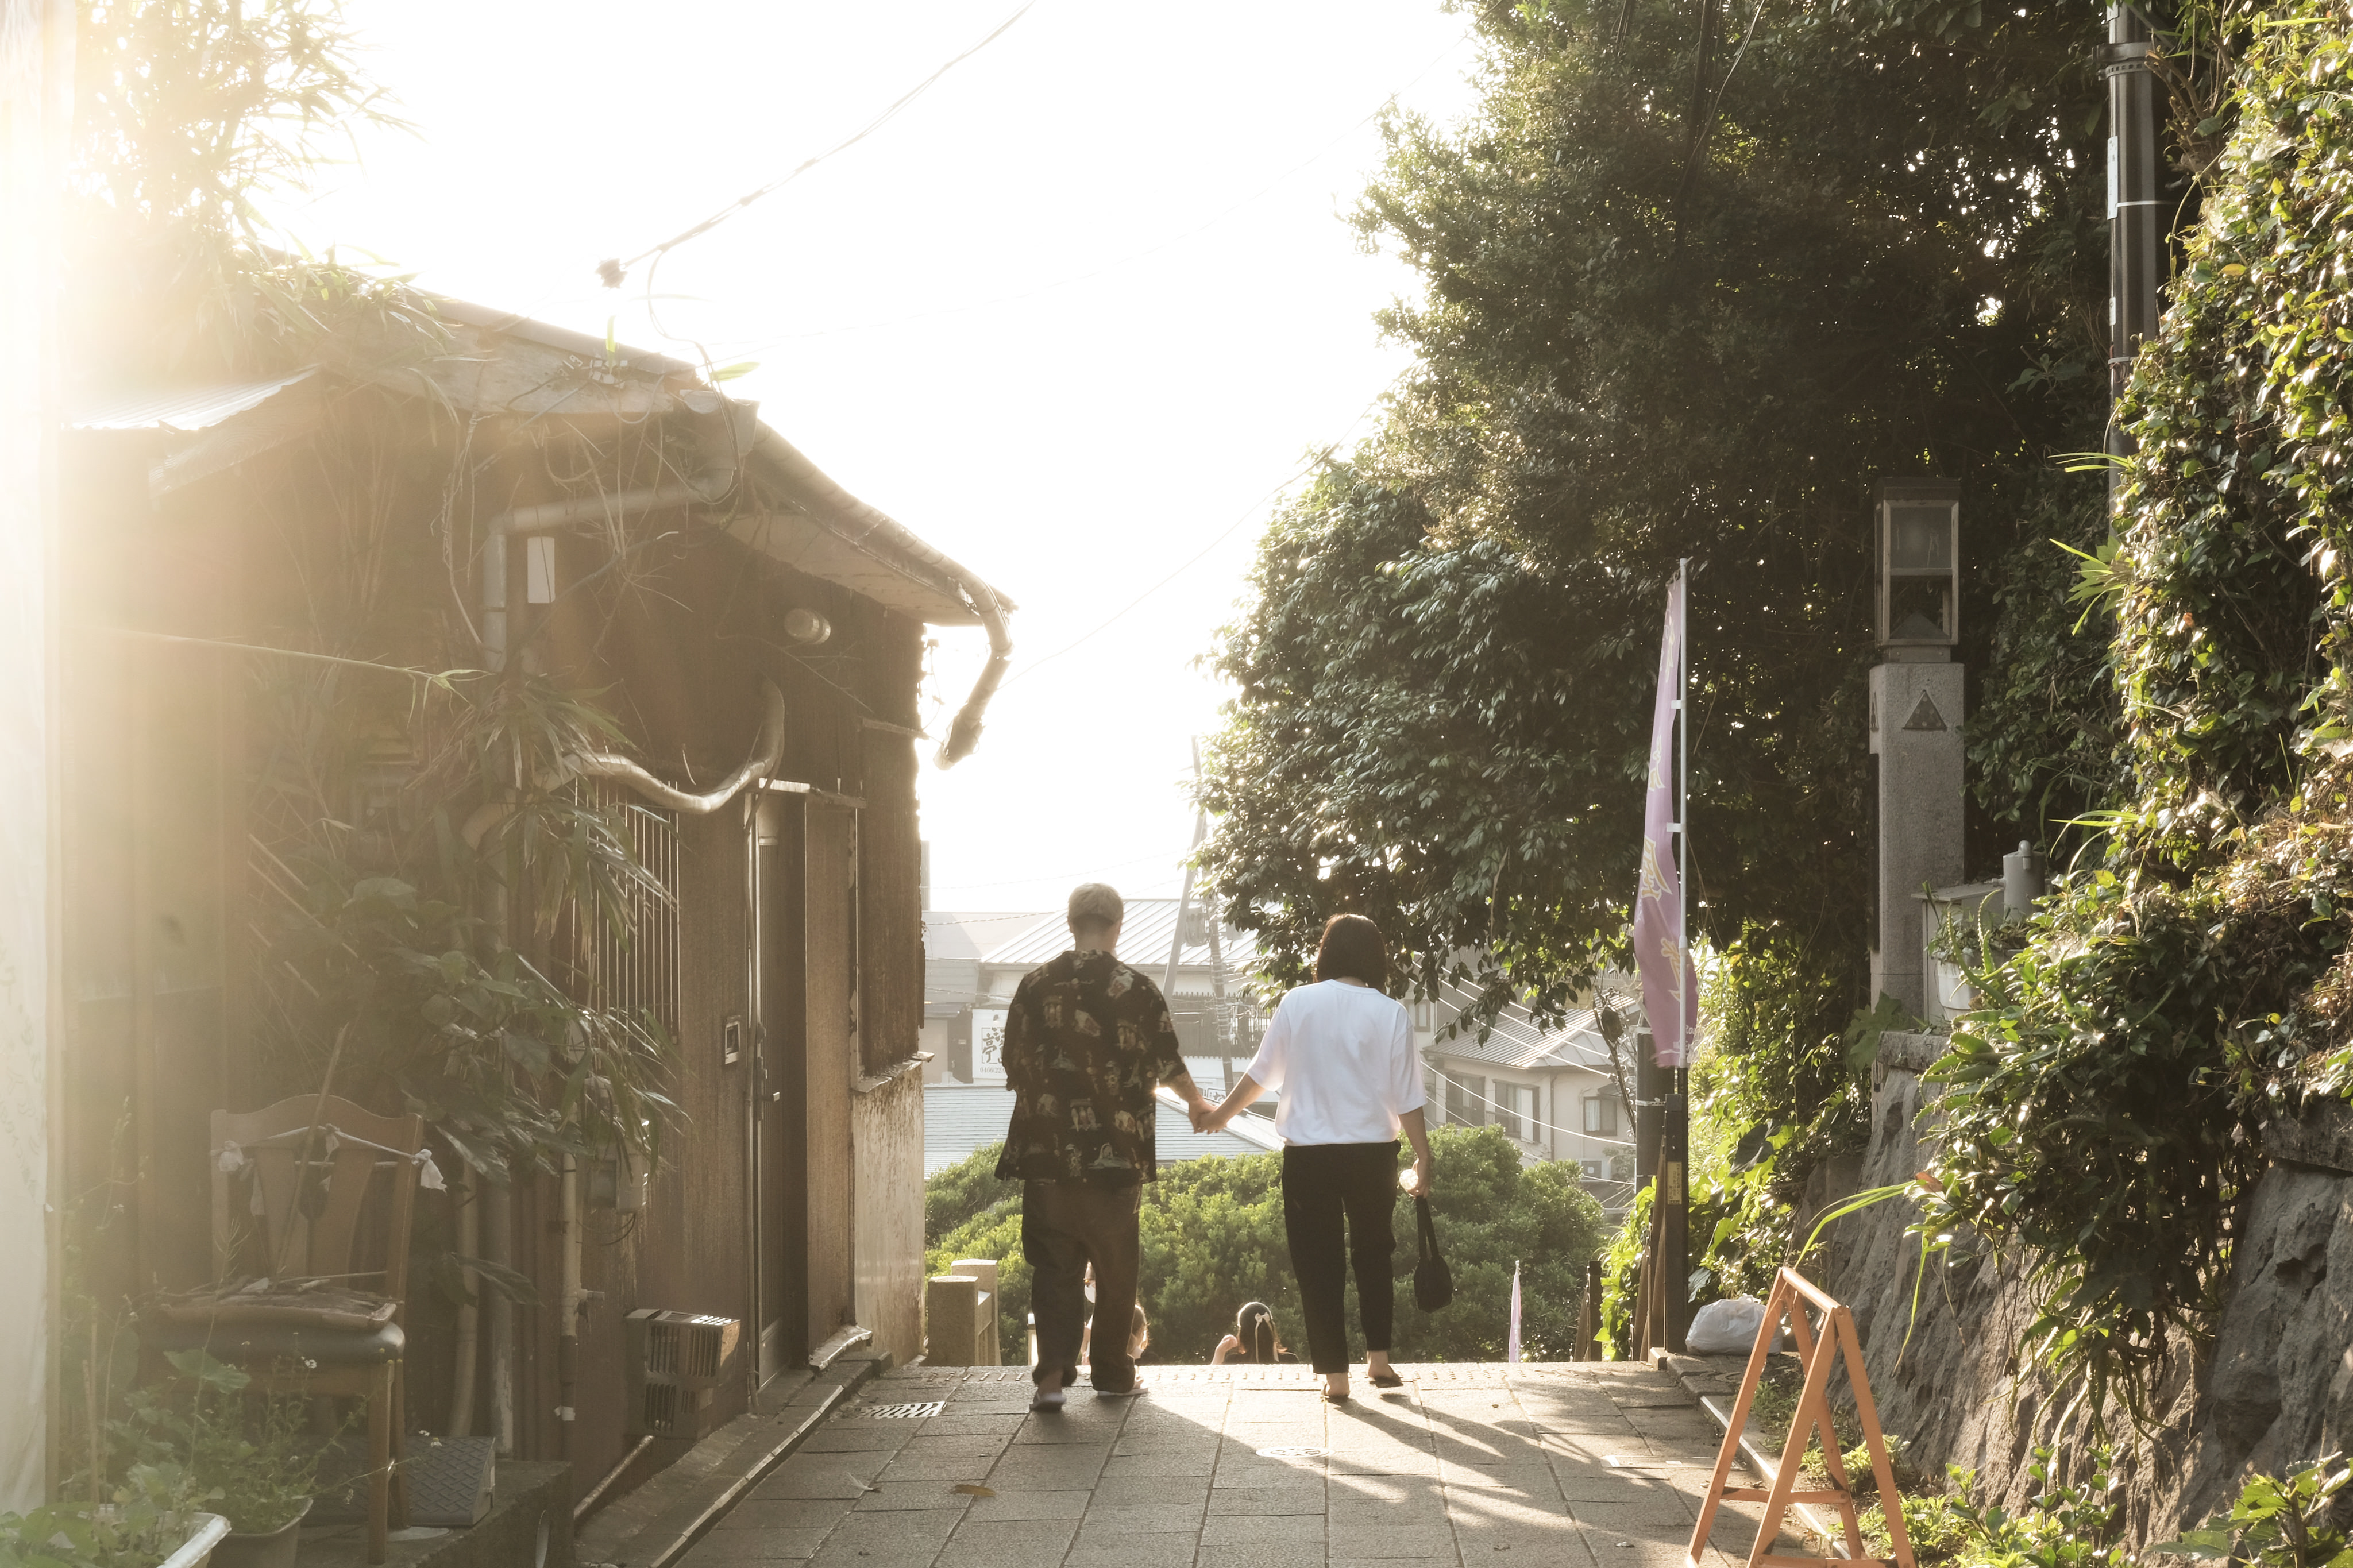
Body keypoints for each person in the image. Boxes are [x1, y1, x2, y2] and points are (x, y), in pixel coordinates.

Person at [1197, 913, 1432, 1404]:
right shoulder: (1391, 1012)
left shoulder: (1298, 1002)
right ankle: (1379, 1361)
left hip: (1309, 1159)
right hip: (1374, 1156)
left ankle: (1335, 1377)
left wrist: (1220, 1115)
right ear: (1375, 958)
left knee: (1318, 1264)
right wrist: (1423, 1155)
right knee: (1374, 1254)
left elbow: (1261, 1075)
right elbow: (1408, 1096)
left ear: (1326, 954)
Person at [997, 882, 1211, 1411]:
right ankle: (1113, 1374)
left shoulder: (1034, 985)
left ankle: (1051, 1380)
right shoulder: (1138, 991)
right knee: (1116, 1272)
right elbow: (1167, 1062)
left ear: (1072, 924)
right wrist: (1197, 1104)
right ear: (1117, 927)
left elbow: (1012, 1062)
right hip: (1116, 1159)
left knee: (1054, 1268)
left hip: (1046, 1156)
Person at [1212, 1301, 1296, 1365]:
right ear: (1272, 1330)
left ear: (1243, 1334)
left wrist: (1219, 1354)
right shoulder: (1291, 1360)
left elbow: (1211, 1381)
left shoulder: (1233, 1361)